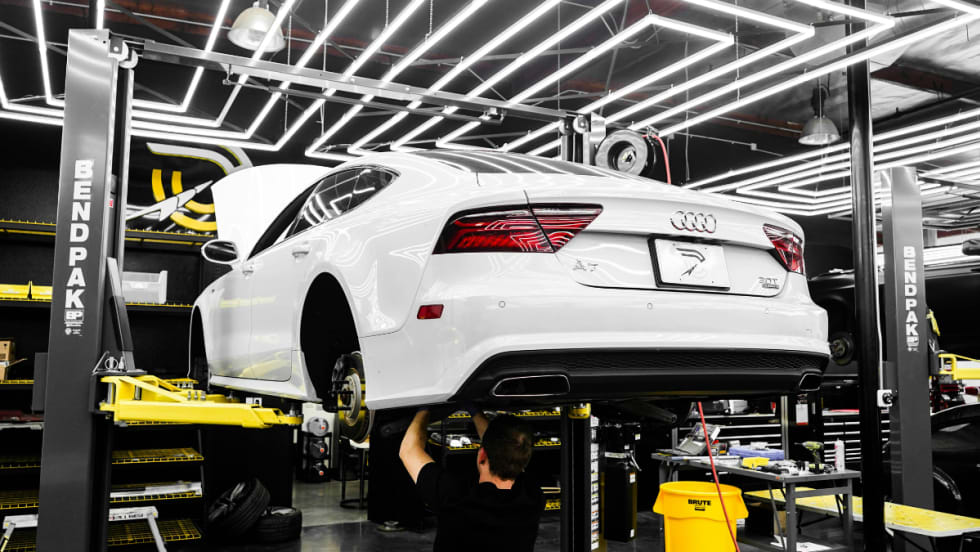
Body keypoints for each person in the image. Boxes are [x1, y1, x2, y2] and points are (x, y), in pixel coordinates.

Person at [399, 407, 544, 552]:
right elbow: (509, 451)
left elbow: (409, 450)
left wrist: (424, 409)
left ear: (482, 455)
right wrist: (474, 411)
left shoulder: (454, 495)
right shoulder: (532, 496)